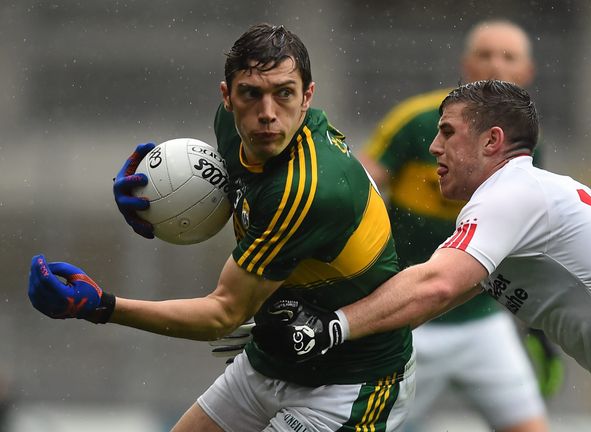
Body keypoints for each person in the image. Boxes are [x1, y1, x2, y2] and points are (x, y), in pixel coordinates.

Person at [256, 80, 591, 432]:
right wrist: (326, 322)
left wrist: (329, 326)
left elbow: (437, 285)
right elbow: (432, 297)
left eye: (448, 132)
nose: (433, 146)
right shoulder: (523, 195)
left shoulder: (507, 194)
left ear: (493, 141)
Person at [27, 23, 415, 432]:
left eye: (284, 93)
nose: (267, 113)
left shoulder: (307, 189)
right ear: (227, 97)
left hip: (349, 385)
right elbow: (244, 193)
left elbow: (222, 314)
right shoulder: (234, 129)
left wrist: (101, 306)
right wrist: (158, 199)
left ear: (307, 98)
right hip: (271, 360)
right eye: (251, 93)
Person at [358, 20, 553, 432]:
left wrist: (538, 319)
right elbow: (355, 194)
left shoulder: (531, 144)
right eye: (484, 54)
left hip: (484, 321)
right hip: (410, 321)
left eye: (508, 56)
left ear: (526, 73)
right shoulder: (415, 120)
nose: (494, 65)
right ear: (466, 65)